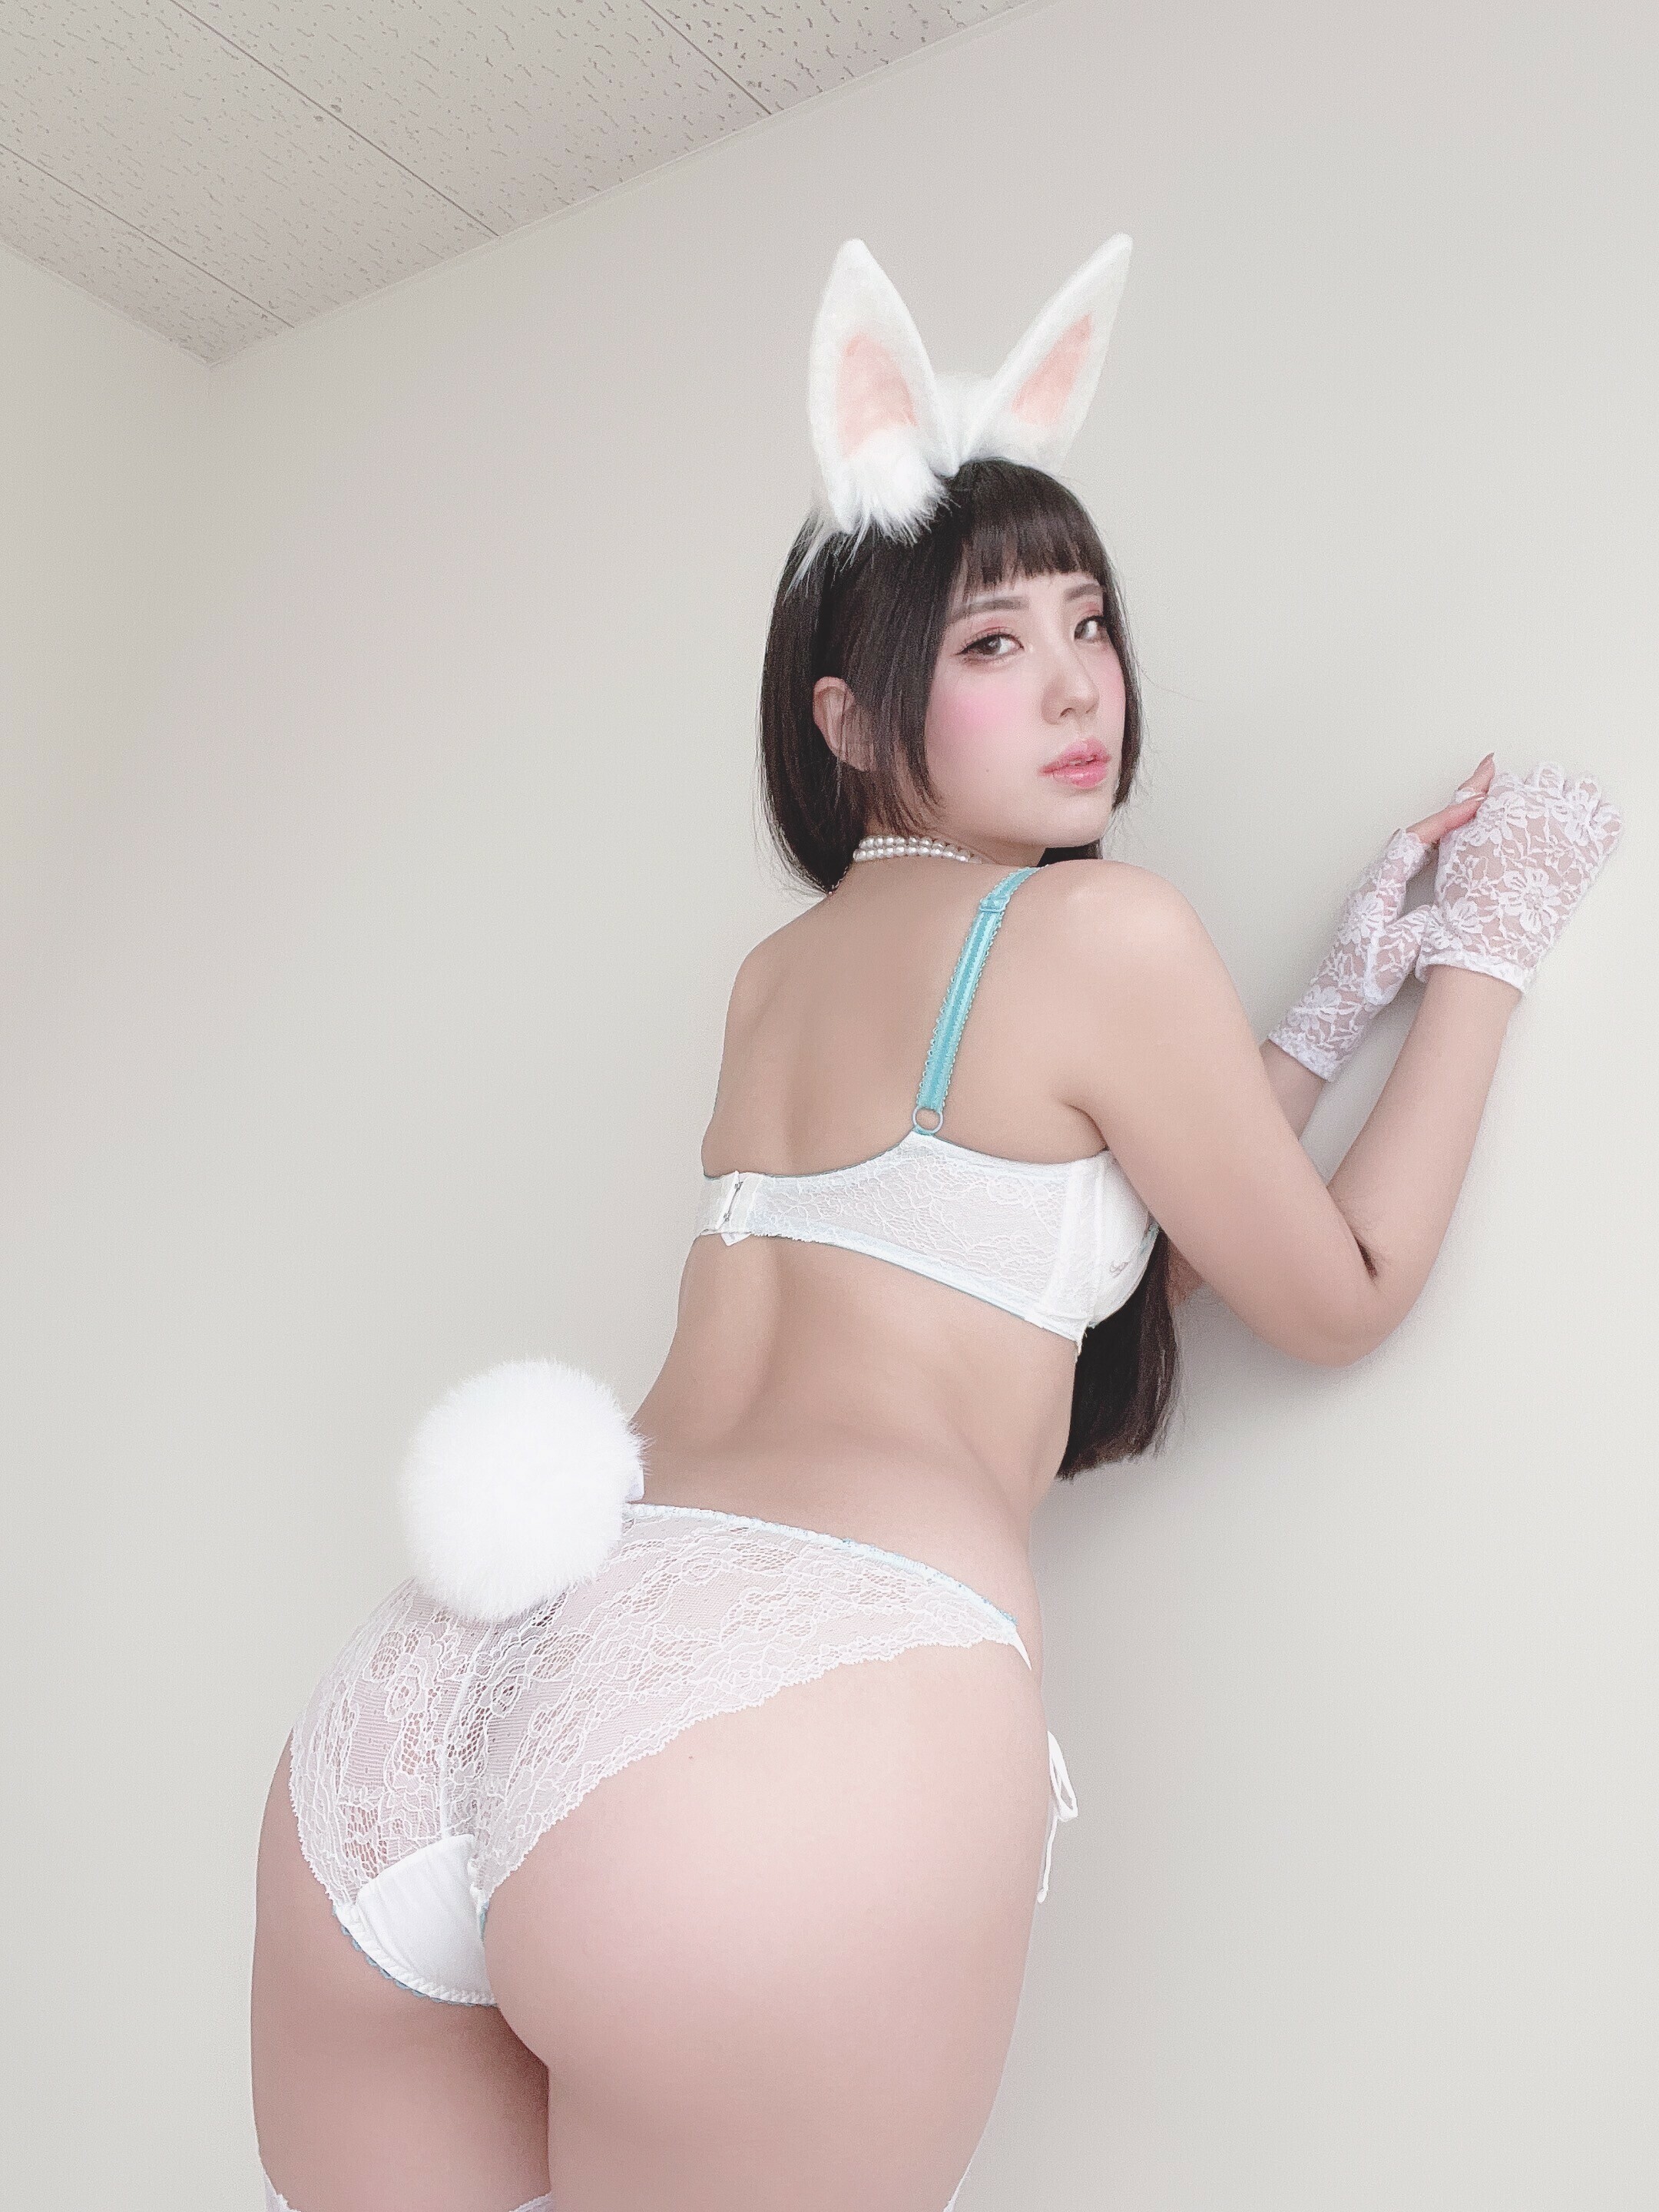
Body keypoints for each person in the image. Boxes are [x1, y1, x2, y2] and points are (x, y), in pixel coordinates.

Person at [250, 236, 1624, 2212]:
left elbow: (1047, 1223)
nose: (1077, 685)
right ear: (847, 714)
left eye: (1090, 623)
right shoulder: (1098, 935)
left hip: (447, 1682)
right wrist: (1488, 942)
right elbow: (1335, 1289)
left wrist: (1325, 1013)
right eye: (992, 644)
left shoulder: (779, 975)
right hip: (776, 1707)